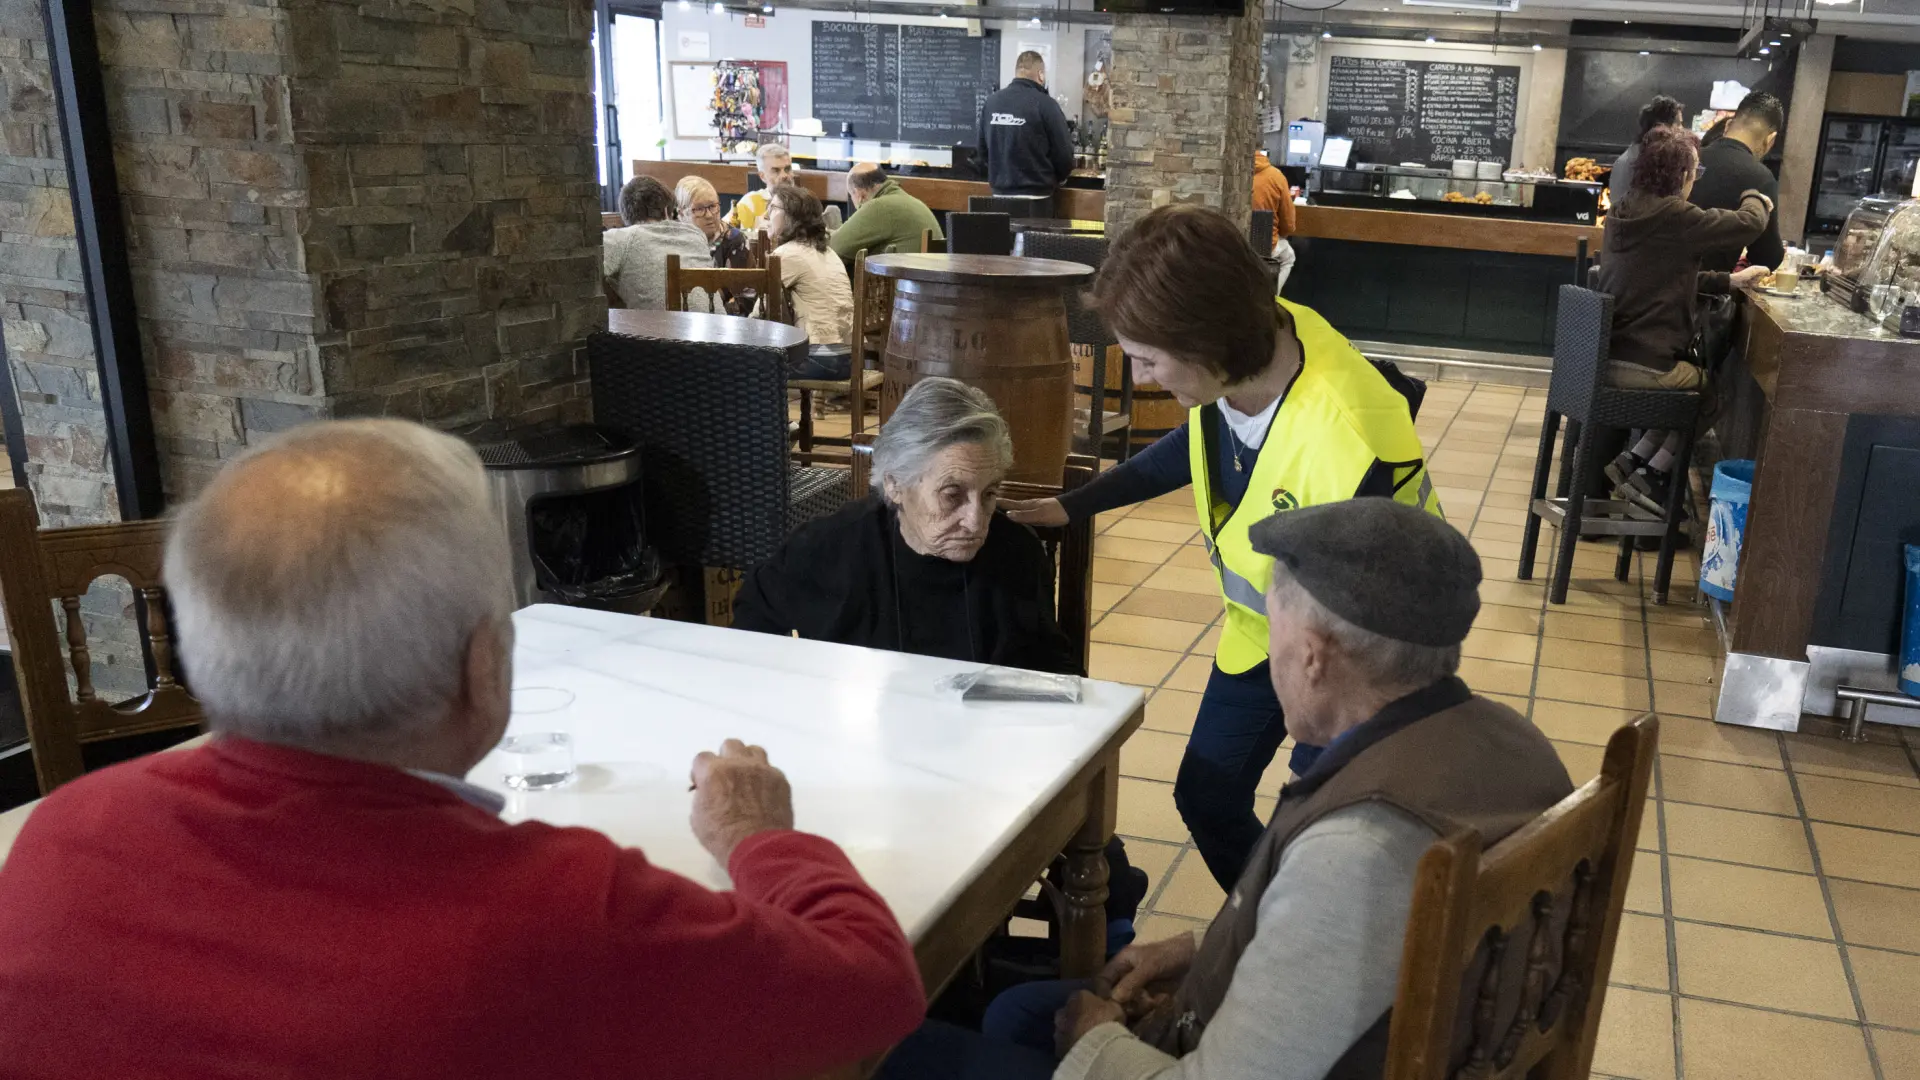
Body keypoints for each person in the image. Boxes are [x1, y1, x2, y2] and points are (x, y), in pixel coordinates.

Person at [0, 420, 928, 1079]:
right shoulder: (562, 912)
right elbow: (873, 989)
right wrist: (758, 836)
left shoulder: (61, 837)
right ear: (486, 666)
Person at [878, 499, 1576, 1080]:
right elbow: (1354, 945)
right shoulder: (1516, 745)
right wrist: (1211, 948)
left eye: (1271, 629)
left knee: (894, 1046)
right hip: (1396, 1038)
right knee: (1018, 1012)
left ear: (1312, 655)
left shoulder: (1362, 846)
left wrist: (1094, 1044)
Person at [1005, 205, 1440, 892]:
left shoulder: (1347, 439)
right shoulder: (1249, 353)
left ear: (1203, 341)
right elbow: (1201, 441)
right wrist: (1076, 503)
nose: (1141, 376)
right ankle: (1264, 923)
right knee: (1207, 794)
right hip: (1265, 631)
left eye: (1147, 359)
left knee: (1324, 826)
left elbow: (1355, 635)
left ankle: (1297, 940)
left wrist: (1315, 771)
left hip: (1361, 651)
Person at [732, 377, 1149, 933]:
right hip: (861, 775)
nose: (976, 521)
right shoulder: (831, 551)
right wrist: (800, 708)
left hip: (988, 777)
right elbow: (752, 621)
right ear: (896, 484)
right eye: (952, 495)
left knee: (1111, 876)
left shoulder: (1014, 557)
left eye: (991, 494)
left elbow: (1060, 680)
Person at [1598, 124, 1770, 515]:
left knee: (1686, 388)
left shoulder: (1625, 207)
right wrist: (1756, 191)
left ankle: (1634, 462)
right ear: (1682, 175)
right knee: (1709, 391)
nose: (1696, 179)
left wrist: (1730, 280)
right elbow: (1749, 223)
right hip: (1645, 364)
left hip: (1610, 354)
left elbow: (1661, 277)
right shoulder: (1675, 215)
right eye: (1696, 172)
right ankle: (1653, 477)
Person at [1689, 91, 1786, 273]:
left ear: (1727, 125)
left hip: (1656, 283)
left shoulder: (1687, 159)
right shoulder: (1761, 178)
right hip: (1706, 292)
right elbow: (1766, 256)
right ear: (1770, 140)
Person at [602, 175, 714, 310]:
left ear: (625, 216)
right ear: (667, 210)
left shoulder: (621, 239)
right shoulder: (696, 234)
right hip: (720, 325)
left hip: (665, 329)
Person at [764, 183, 855, 346]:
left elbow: (762, 311)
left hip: (818, 354)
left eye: (772, 208)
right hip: (848, 354)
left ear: (791, 217)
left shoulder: (786, 255)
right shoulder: (827, 251)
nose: (766, 215)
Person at [978, 50, 1075, 198]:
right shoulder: (1046, 104)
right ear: (1041, 74)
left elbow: (982, 151)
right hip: (1037, 198)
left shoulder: (991, 103)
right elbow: (1064, 155)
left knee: (1002, 223)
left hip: (999, 196)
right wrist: (1057, 179)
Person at [831, 162, 944, 262]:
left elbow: (834, 247)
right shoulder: (909, 201)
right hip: (923, 281)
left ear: (860, 195)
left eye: (852, 195)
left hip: (900, 283)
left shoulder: (879, 206)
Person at [1605, 94, 1683, 199]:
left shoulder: (1634, 154)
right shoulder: (1645, 161)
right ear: (1662, 127)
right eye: (1678, 124)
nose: (1682, 130)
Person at [1251, 149, 1297, 292]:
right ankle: (1271, 300)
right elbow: (1288, 225)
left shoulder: (1235, 170)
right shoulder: (1275, 176)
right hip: (1263, 244)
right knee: (1289, 258)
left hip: (1233, 242)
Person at [728, 142, 795, 233]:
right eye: (776, 171)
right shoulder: (750, 203)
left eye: (787, 169)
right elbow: (729, 235)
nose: (784, 175)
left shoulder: (804, 203)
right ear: (762, 176)